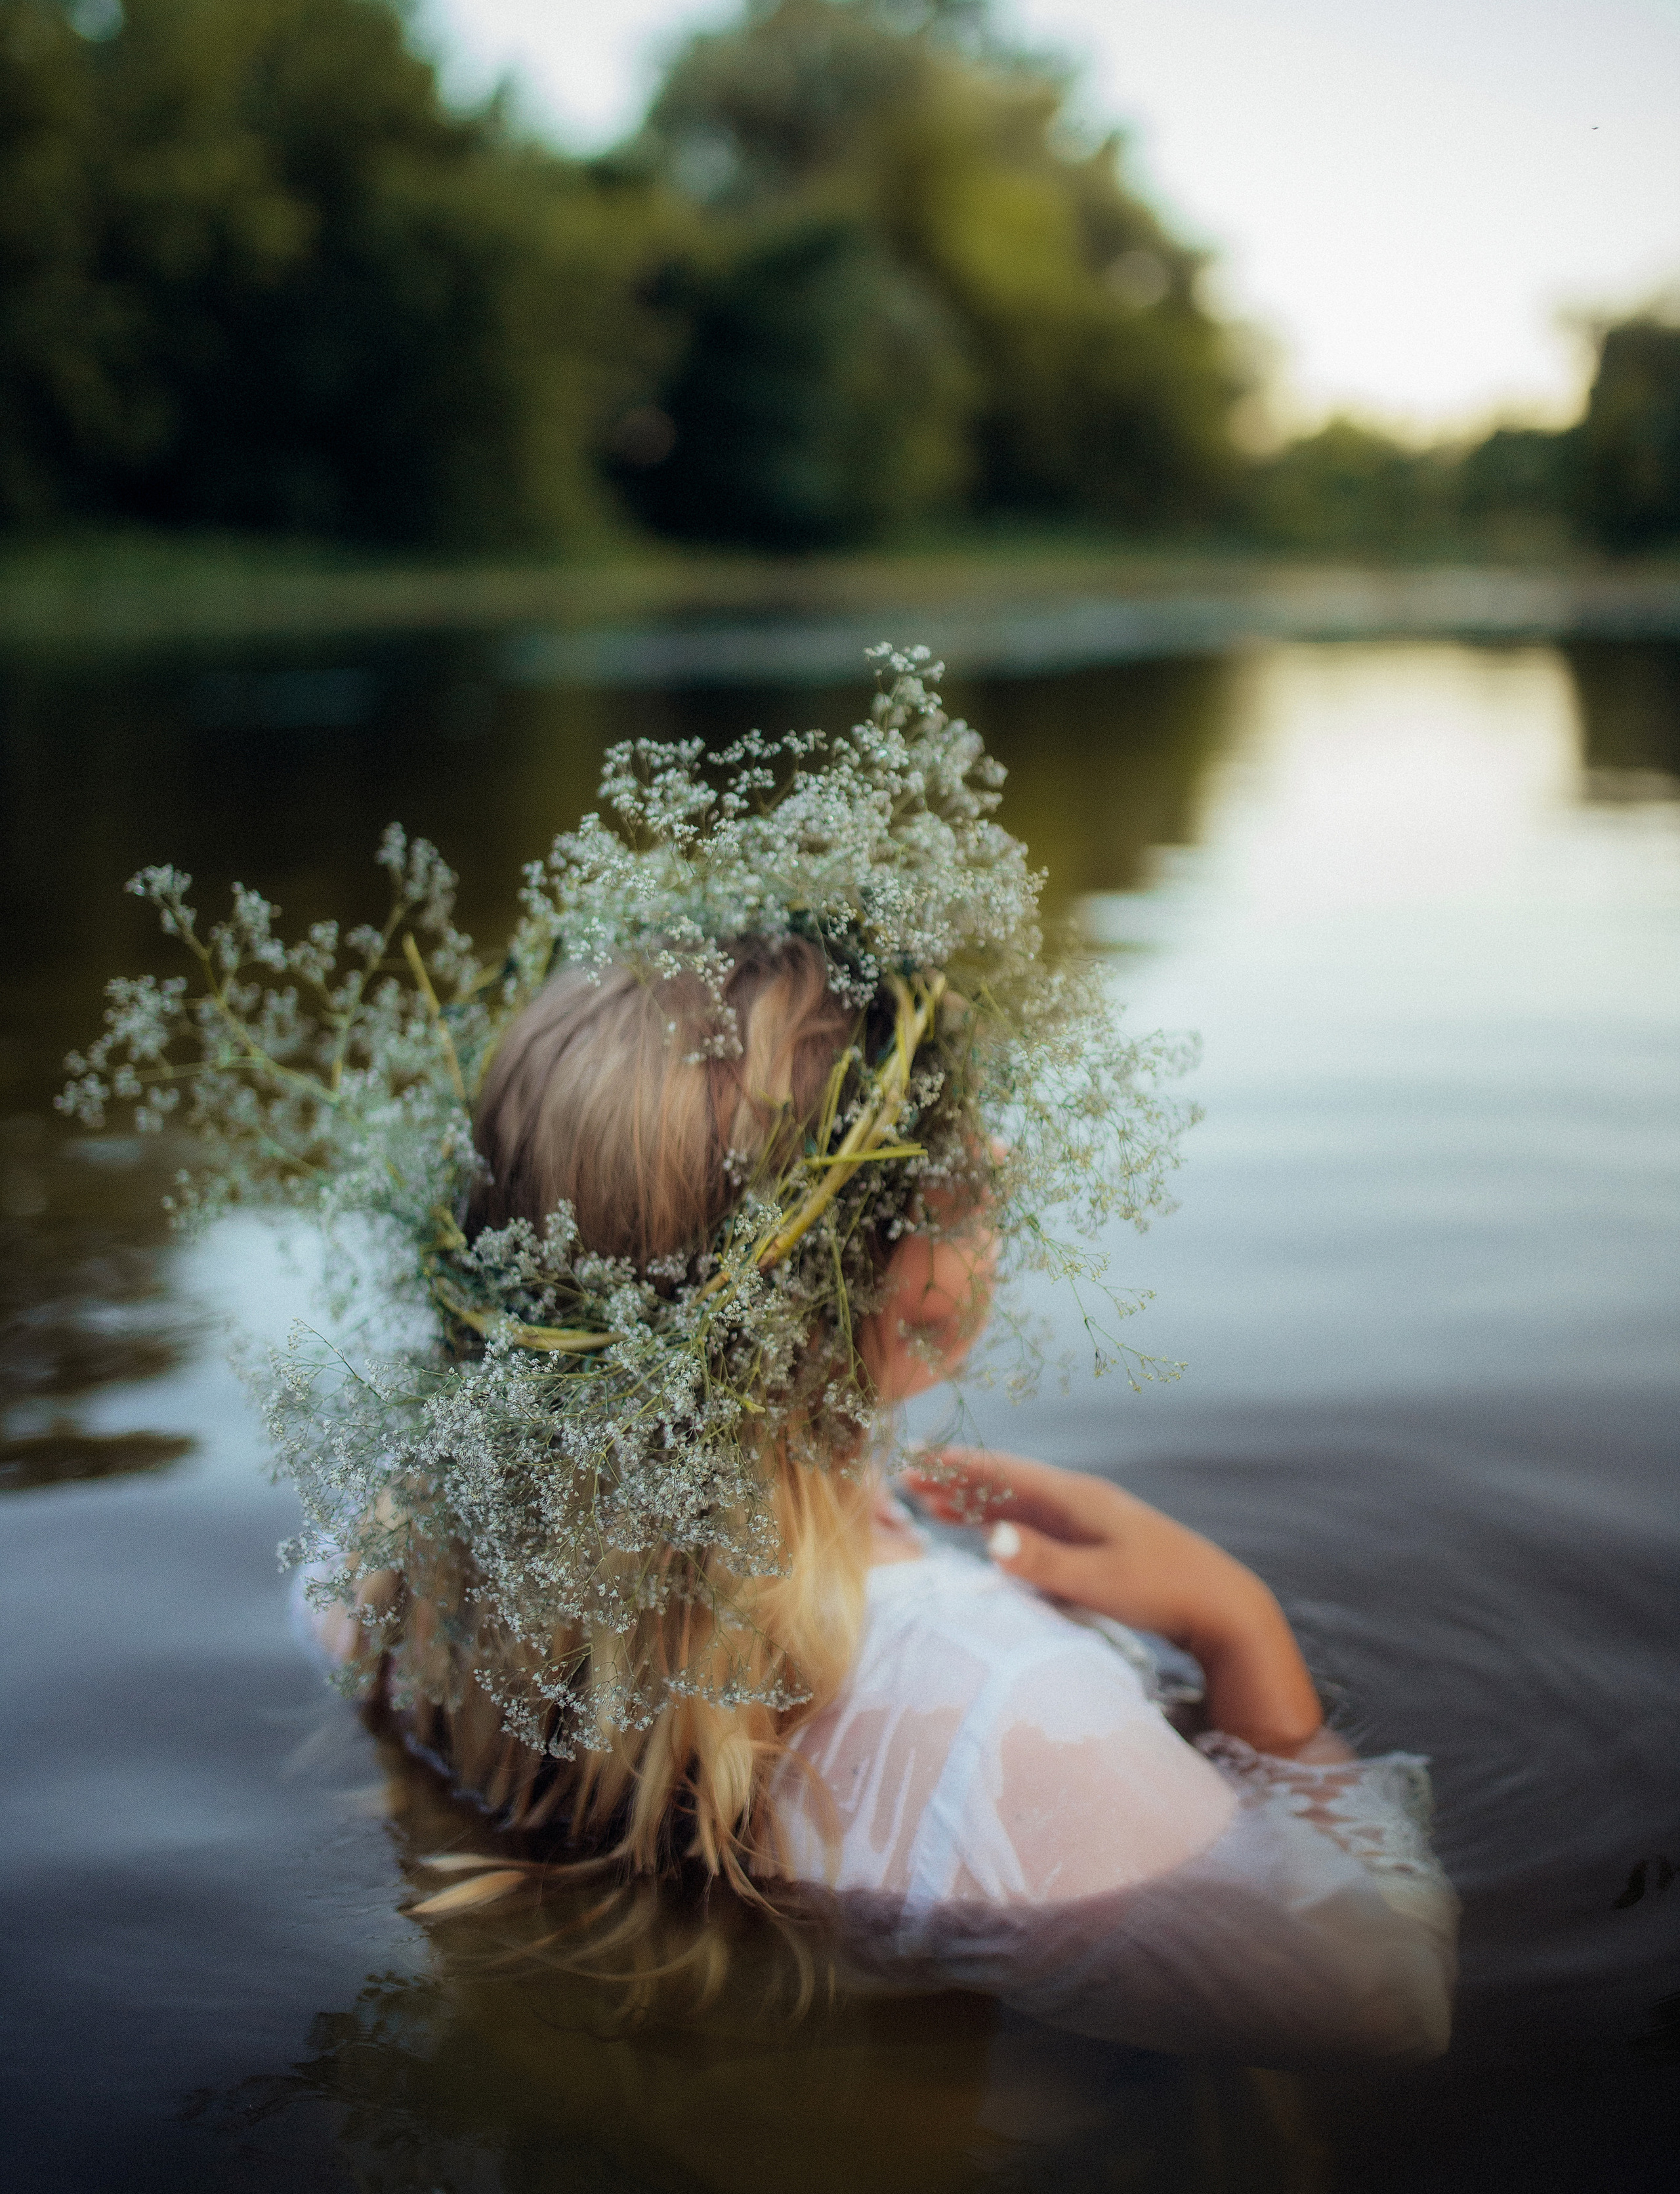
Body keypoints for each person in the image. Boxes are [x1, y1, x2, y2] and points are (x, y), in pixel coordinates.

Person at [69, 648, 1455, 2065]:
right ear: (860, 1291)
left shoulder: (388, 1554)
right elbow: (1378, 2011)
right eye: (956, 1166)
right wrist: (1245, 1650)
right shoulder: (1019, 1724)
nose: (1002, 1158)